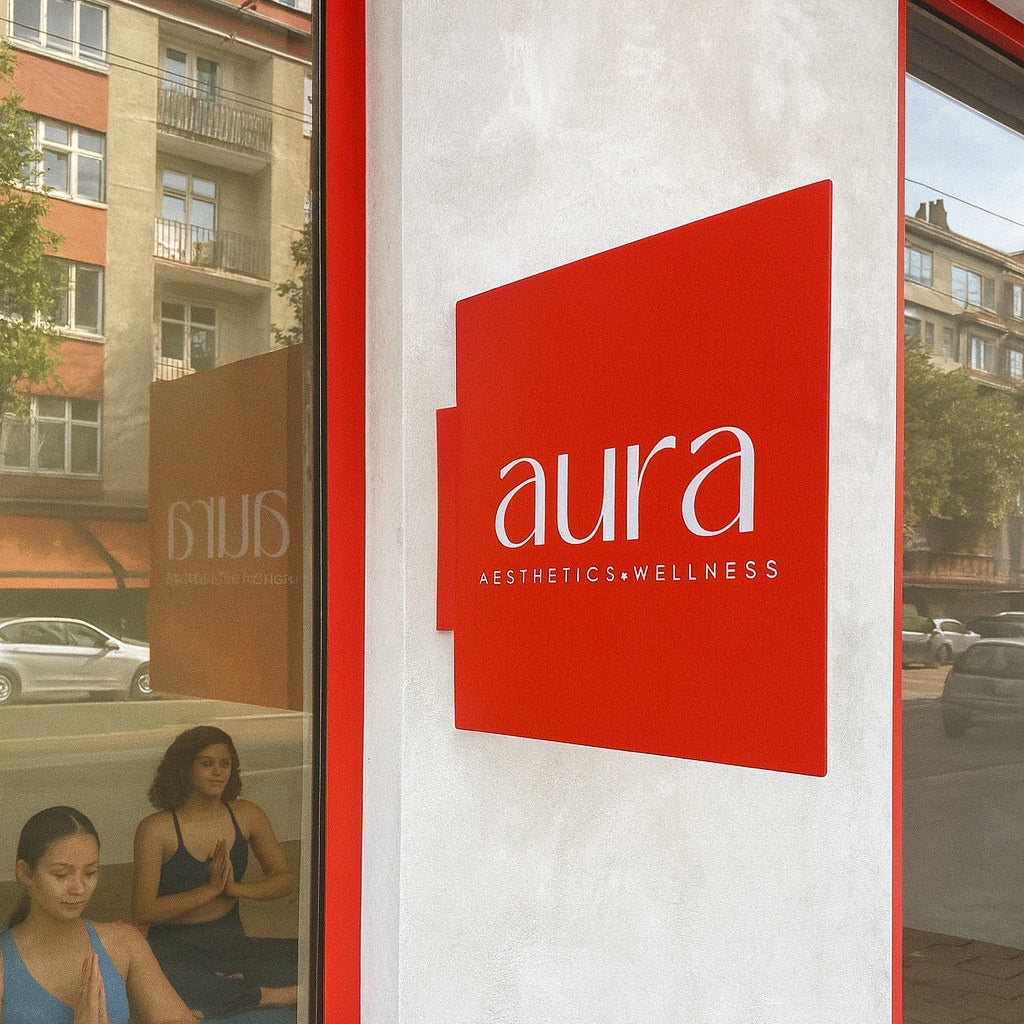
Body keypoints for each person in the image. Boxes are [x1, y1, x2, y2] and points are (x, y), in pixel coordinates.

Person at [132, 726, 298, 1022]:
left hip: (231, 941)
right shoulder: (156, 828)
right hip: (174, 950)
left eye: (225, 764)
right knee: (156, 984)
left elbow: (283, 878)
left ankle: (223, 993)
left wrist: (235, 889)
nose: (218, 772)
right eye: (206, 763)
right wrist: (208, 891)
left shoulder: (247, 814)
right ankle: (269, 996)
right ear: (185, 768)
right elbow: (143, 910)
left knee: (314, 958)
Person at [0, 804, 196, 1024]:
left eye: (90, 873)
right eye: (62, 874)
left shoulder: (124, 943)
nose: (79, 888)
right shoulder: (4, 963)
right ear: (25, 872)